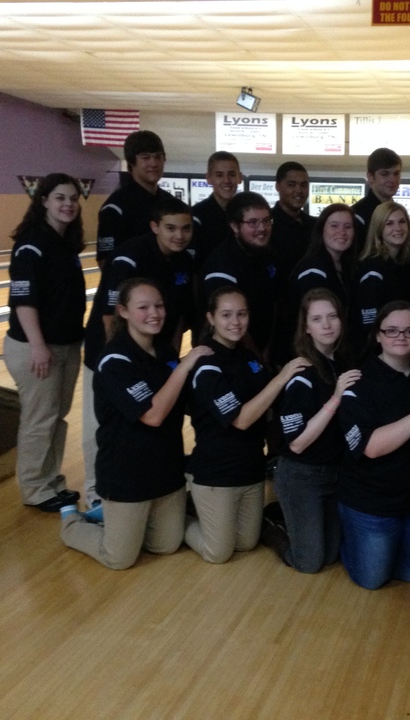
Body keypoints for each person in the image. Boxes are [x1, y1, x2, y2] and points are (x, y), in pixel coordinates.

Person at [60, 279, 213, 569]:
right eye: (143, 307)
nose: (154, 313)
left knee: (166, 546)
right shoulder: (115, 360)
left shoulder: (165, 354)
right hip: (126, 474)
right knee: (119, 558)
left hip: (165, 471)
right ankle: (73, 521)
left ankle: (120, 522)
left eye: (158, 306)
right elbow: (153, 415)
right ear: (123, 311)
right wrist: (186, 364)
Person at [82, 195, 195, 507]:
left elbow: (177, 316)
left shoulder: (184, 259)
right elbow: (109, 314)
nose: (179, 235)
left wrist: (168, 358)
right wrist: (118, 363)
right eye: (171, 228)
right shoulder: (129, 257)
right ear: (154, 227)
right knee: (105, 426)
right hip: (112, 351)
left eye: (185, 229)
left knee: (150, 420)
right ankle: (96, 496)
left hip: (153, 351)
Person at [185, 288, 309, 564]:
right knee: (218, 553)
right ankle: (178, 517)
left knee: (246, 543)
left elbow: (272, 403)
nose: (235, 322)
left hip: (250, 470)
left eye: (241, 314)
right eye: (226, 315)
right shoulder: (207, 365)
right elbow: (241, 419)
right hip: (216, 473)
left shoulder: (248, 356)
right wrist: (282, 376)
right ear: (211, 318)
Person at [338, 301, 410, 590]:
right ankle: (346, 539)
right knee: (373, 580)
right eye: (392, 331)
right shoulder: (358, 383)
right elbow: (371, 447)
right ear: (378, 336)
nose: (401, 337)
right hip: (371, 502)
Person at [4, 174, 85, 512]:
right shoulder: (31, 244)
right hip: (36, 347)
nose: (68, 204)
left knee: (57, 416)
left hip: (65, 346)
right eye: (60, 198)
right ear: (44, 201)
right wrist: (38, 345)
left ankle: (51, 482)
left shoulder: (64, 242)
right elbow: (24, 300)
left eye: (73, 198)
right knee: (40, 419)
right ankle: (35, 489)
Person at [268, 289, 361, 573]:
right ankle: (269, 525)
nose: (327, 324)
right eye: (317, 319)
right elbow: (296, 444)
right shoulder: (301, 375)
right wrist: (335, 398)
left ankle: (293, 518)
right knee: (309, 562)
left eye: (332, 316)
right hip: (301, 474)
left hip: (334, 473)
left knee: (331, 555)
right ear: (306, 328)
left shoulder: (341, 364)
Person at [198, 191, 278, 356]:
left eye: (266, 221)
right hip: (228, 354)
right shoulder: (222, 266)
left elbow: (274, 303)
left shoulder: (267, 253)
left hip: (264, 348)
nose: (262, 228)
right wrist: (258, 360)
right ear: (235, 226)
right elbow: (231, 322)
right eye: (253, 222)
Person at [96, 130, 172, 266]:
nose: (153, 163)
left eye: (158, 157)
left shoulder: (170, 202)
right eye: (145, 158)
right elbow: (106, 261)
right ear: (131, 162)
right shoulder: (116, 207)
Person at [270, 161, 317, 364]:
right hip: (280, 323)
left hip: (314, 317)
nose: (299, 190)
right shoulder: (266, 226)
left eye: (304, 185)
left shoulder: (315, 227)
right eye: (291, 184)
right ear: (278, 186)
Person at [351, 201, 410, 346]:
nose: (397, 228)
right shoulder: (372, 270)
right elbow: (369, 326)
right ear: (378, 229)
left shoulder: (402, 264)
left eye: (402, 222)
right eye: (389, 223)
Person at [289, 203, 355, 319]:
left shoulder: (345, 266)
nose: (342, 232)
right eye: (334, 226)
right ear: (322, 230)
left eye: (348, 226)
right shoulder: (313, 272)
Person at [190, 151, 243, 269]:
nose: (227, 180)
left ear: (240, 177)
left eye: (232, 174)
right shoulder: (196, 216)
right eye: (219, 175)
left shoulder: (246, 215)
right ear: (209, 178)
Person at [352, 148, 402, 255]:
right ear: (370, 177)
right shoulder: (358, 215)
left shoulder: (397, 212)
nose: (392, 180)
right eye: (385, 174)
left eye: (396, 173)